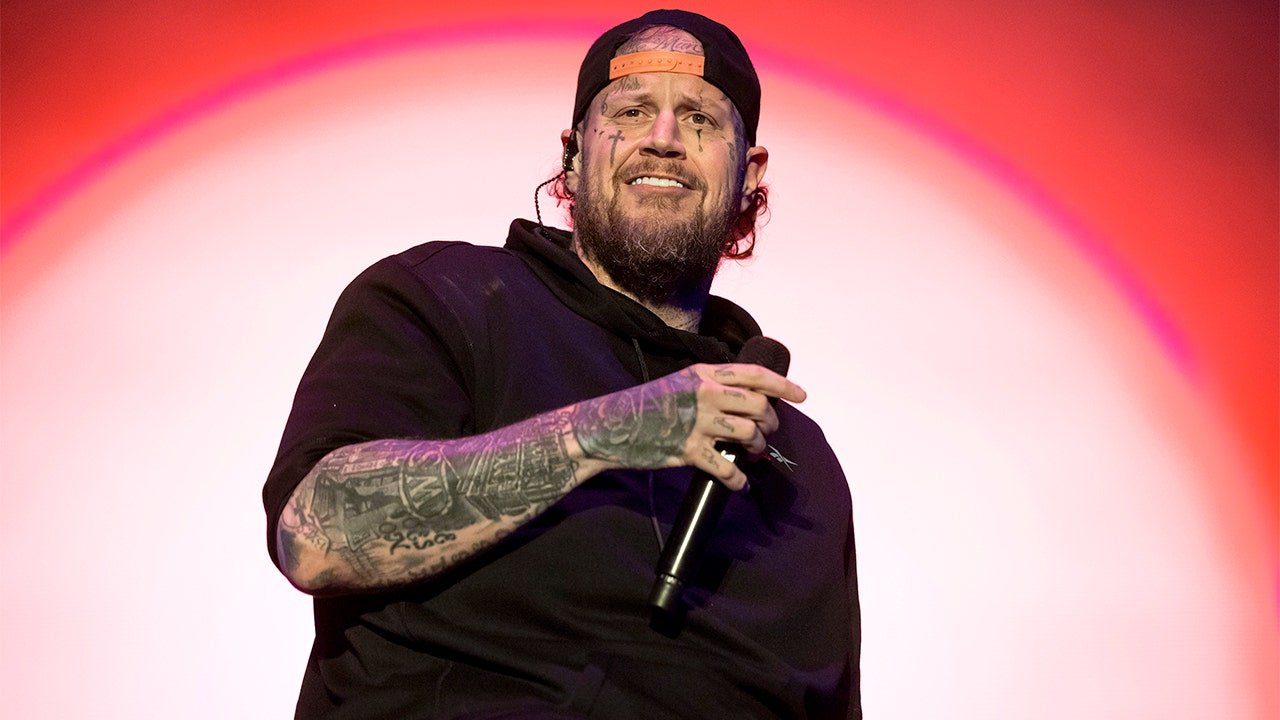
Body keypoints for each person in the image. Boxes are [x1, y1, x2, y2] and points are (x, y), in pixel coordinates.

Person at [263, 9, 861, 719]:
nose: (663, 138)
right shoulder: (450, 300)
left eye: (699, 119)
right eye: (631, 111)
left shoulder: (800, 467)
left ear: (747, 175)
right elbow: (315, 536)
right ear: (574, 157)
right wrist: (605, 433)